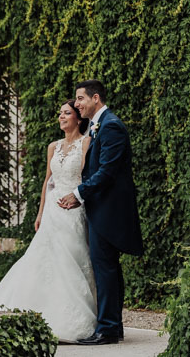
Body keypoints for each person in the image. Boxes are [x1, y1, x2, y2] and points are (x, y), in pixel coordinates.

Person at [0, 100, 97, 342]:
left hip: (74, 208)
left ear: (78, 118)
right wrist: (40, 212)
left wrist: (79, 198)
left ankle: (70, 315)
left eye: (66, 113)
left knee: (71, 259)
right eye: (59, 113)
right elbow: (47, 181)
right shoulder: (53, 146)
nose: (61, 117)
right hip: (52, 209)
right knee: (44, 258)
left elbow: (87, 177)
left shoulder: (87, 143)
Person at [58, 79, 143, 346]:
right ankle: (113, 326)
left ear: (96, 98)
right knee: (108, 268)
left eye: (80, 99)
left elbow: (107, 171)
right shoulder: (99, 126)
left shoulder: (111, 126)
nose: (77, 104)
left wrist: (79, 194)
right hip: (101, 208)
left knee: (104, 267)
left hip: (108, 210)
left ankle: (107, 329)